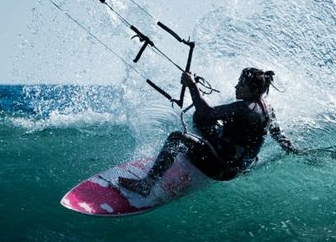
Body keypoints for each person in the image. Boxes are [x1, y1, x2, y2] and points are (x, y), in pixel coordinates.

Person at [118, 67, 299, 196]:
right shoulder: (267, 108)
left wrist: (192, 85)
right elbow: (277, 134)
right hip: (239, 165)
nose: (236, 87)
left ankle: (146, 185)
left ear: (253, 90)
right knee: (200, 119)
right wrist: (293, 150)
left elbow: (207, 112)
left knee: (177, 138)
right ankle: (195, 153)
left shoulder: (244, 108)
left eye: (241, 85)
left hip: (221, 169)